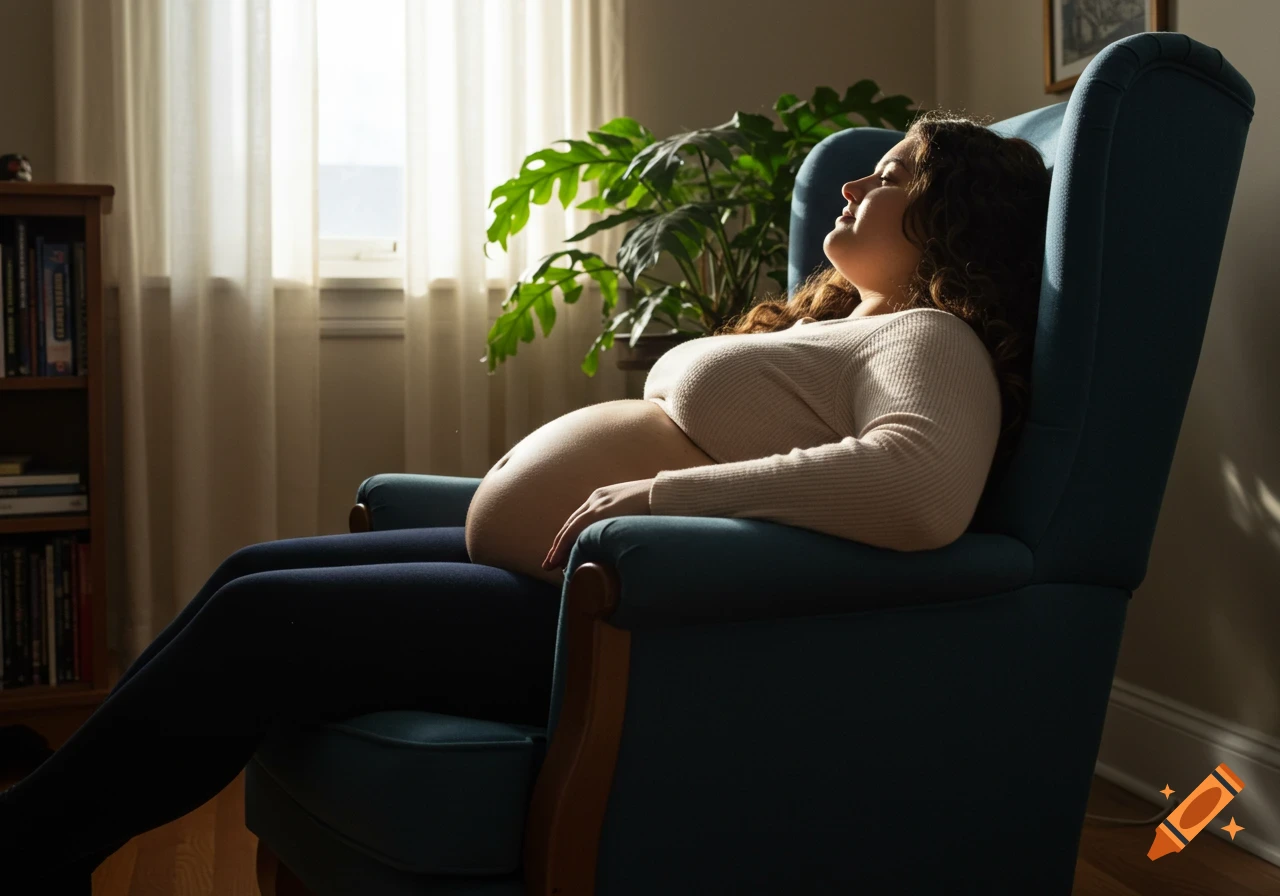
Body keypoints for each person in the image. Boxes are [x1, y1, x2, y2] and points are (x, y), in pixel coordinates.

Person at [0, 109, 1052, 891]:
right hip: (559, 579)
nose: (850, 188)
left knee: (259, 617)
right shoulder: (835, 328)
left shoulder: (927, 337)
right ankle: (46, 813)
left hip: (623, 623)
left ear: (948, 220)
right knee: (250, 571)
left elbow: (920, 490)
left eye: (888, 175)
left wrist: (659, 492)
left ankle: (31, 844)